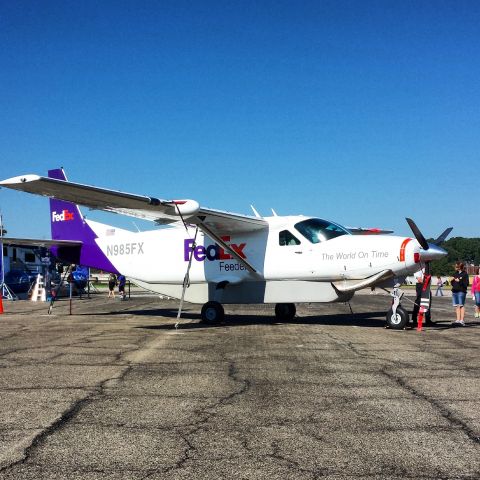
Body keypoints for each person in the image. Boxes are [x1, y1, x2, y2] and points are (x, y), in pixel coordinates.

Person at [450, 262, 469, 326]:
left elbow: (466, 284)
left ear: (459, 267)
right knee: (457, 306)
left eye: (456, 266)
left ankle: (462, 320)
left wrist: (460, 281)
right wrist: (451, 281)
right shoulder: (455, 273)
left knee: (461, 305)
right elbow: (453, 284)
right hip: (454, 291)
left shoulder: (465, 274)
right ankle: (458, 320)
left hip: (461, 291)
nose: (455, 267)